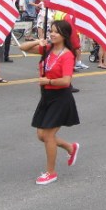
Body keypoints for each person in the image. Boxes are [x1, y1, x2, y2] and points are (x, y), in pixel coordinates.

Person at [20, 20, 80, 185]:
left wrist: (48, 81)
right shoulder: (47, 49)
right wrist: (38, 41)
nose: (52, 34)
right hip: (46, 96)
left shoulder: (67, 55)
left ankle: (51, 173)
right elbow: (22, 48)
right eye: (51, 31)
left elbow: (66, 81)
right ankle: (70, 147)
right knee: (41, 135)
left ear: (65, 36)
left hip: (60, 98)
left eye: (56, 32)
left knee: (48, 136)